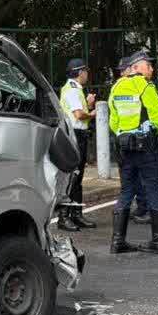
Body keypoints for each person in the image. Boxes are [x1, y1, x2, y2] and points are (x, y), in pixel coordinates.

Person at [108, 51, 158, 254]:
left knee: (126, 191)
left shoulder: (116, 87)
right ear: (136, 67)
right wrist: (152, 132)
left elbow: (113, 122)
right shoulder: (145, 87)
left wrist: (124, 134)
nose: (151, 69)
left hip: (125, 149)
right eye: (148, 66)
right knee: (152, 189)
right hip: (146, 148)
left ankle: (118, 242)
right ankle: (157, 242)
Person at [56, 58, 98, 231]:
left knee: (77, 177)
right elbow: (79, 115)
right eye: (86, 71)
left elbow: (78, 111)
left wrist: (87, 105)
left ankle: (76, 214)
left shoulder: (74, 89)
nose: (87, 74)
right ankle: (64, 217)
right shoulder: (73, 90)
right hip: (74, 135)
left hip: (76, 134)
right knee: (72, 176)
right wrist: (93, 113)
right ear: (80, 72)